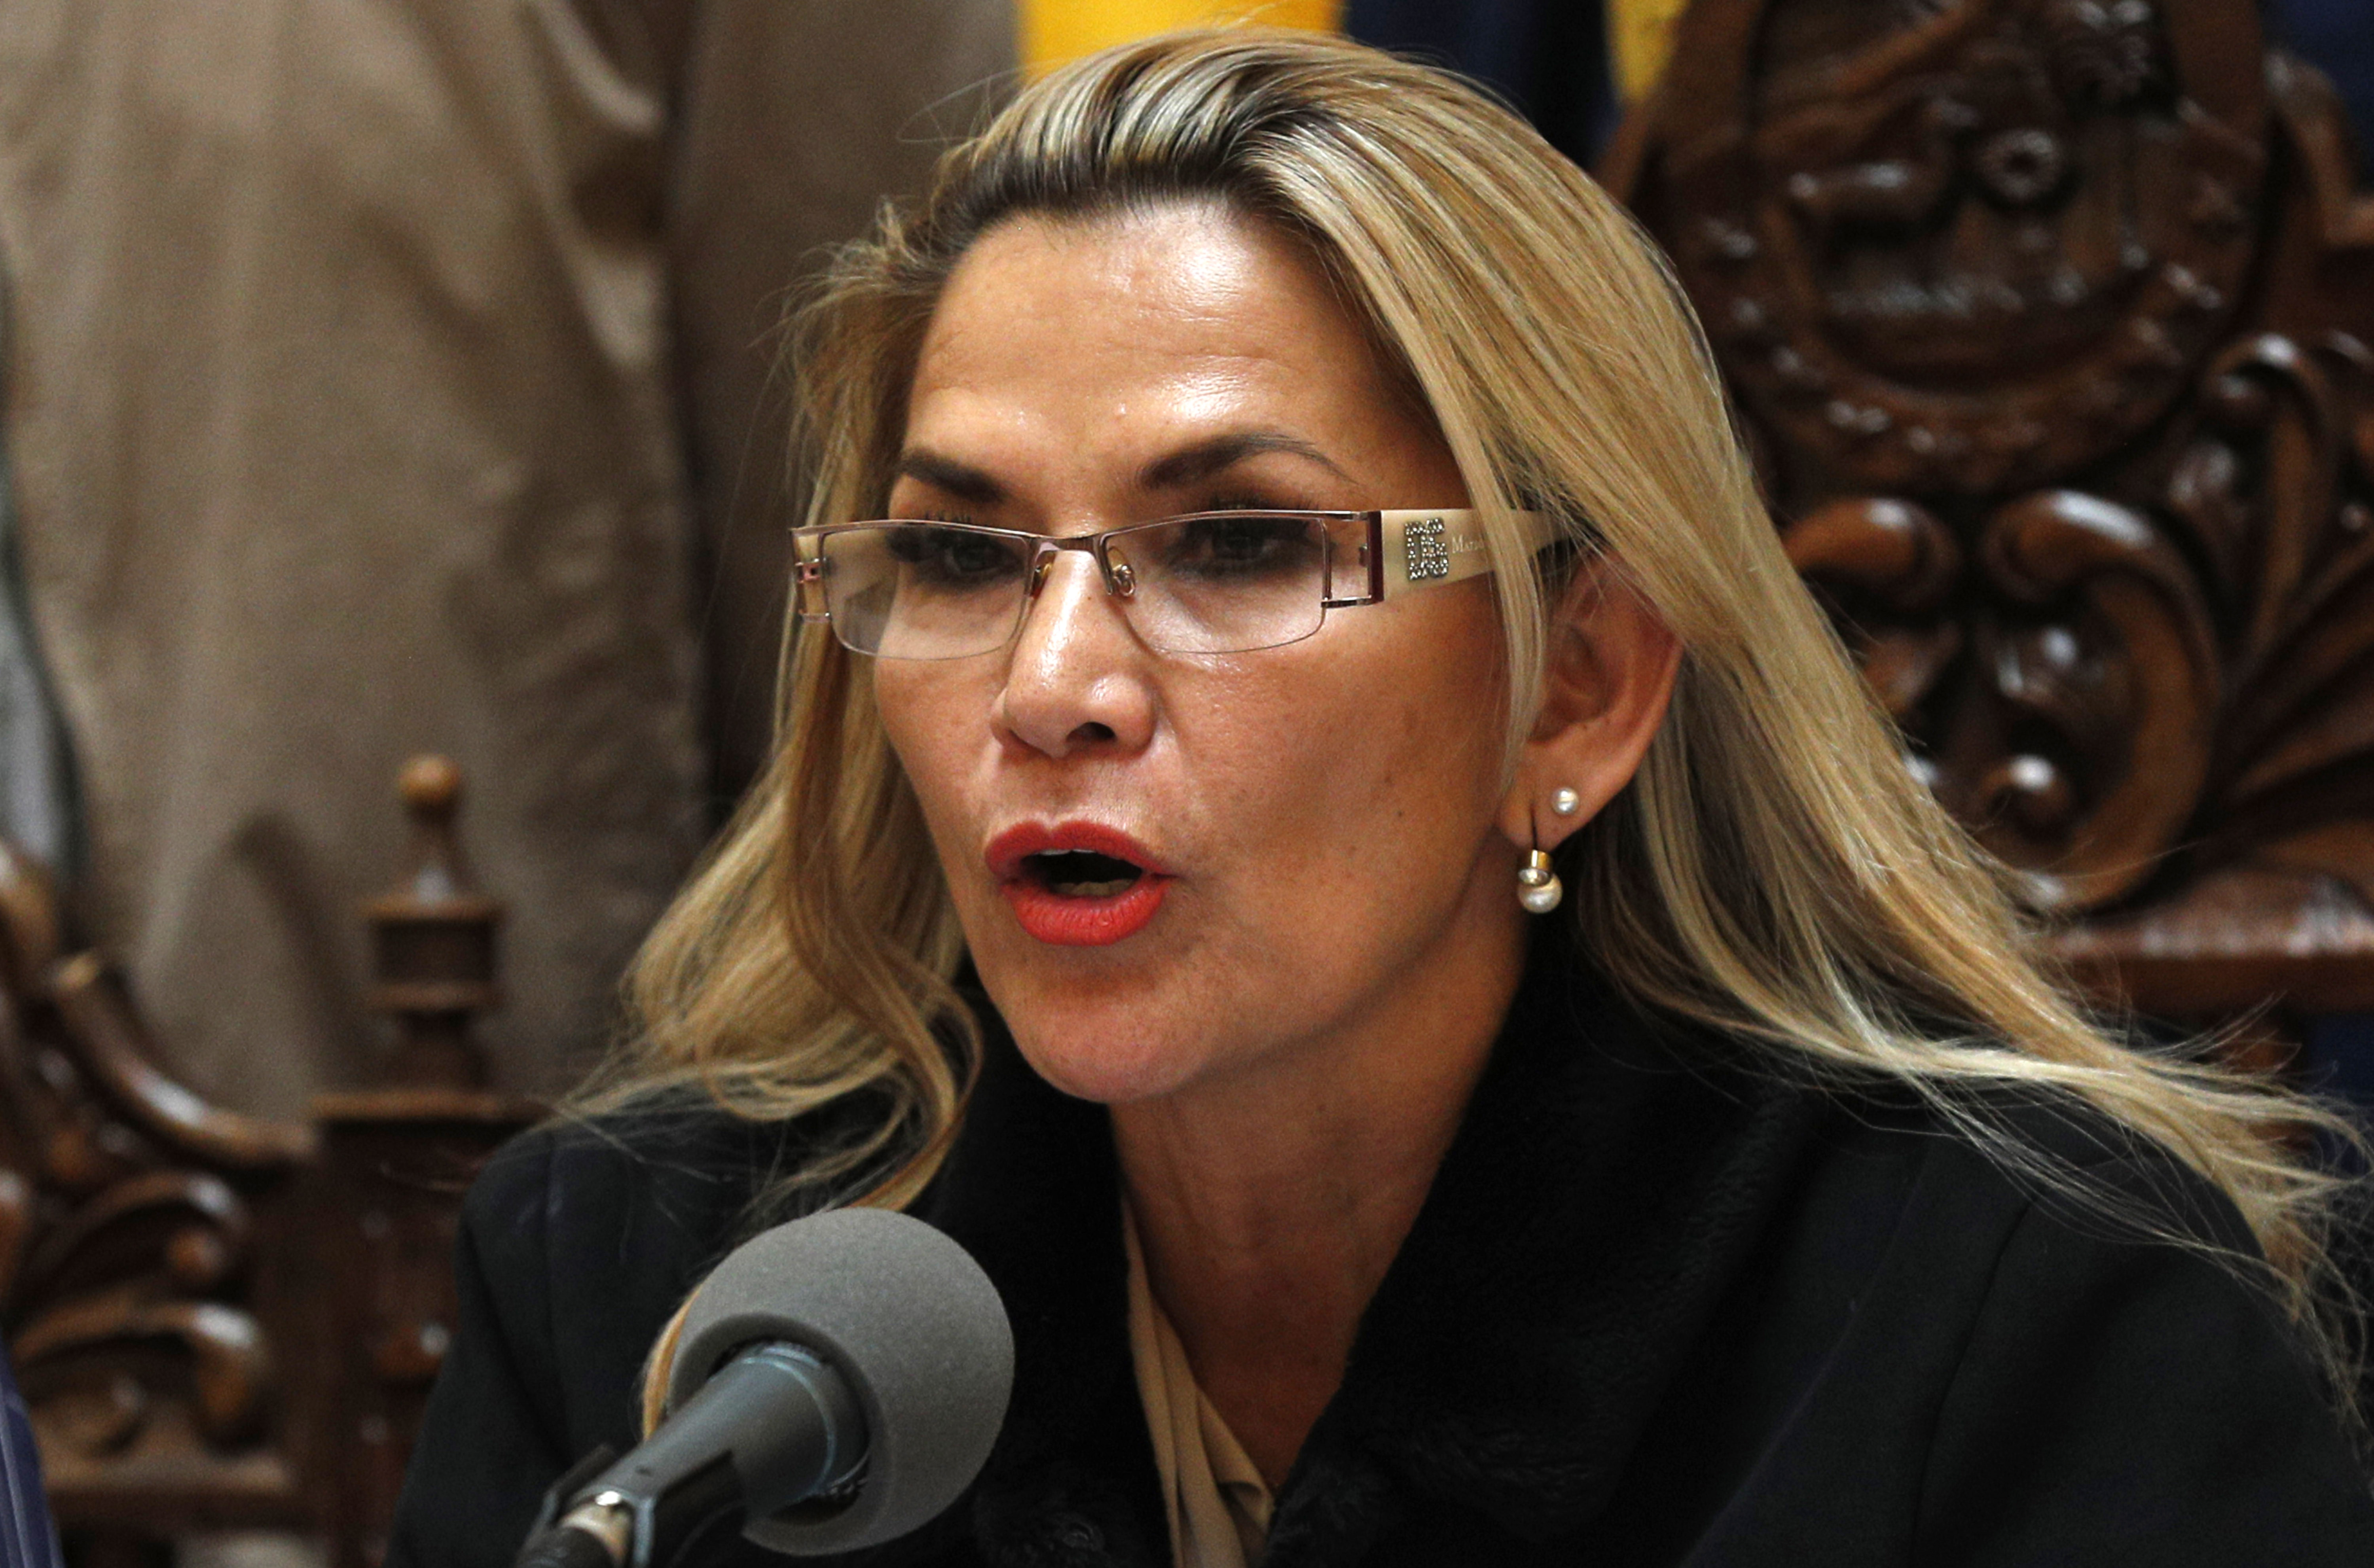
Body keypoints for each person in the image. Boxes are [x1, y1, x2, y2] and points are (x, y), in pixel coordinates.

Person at [388, 28, 2374, 1568]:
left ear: (1575, 686)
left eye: (1240, 546)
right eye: (965, 557)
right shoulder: (648, 1301)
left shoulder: (2035, 1330)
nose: (1054, 686)